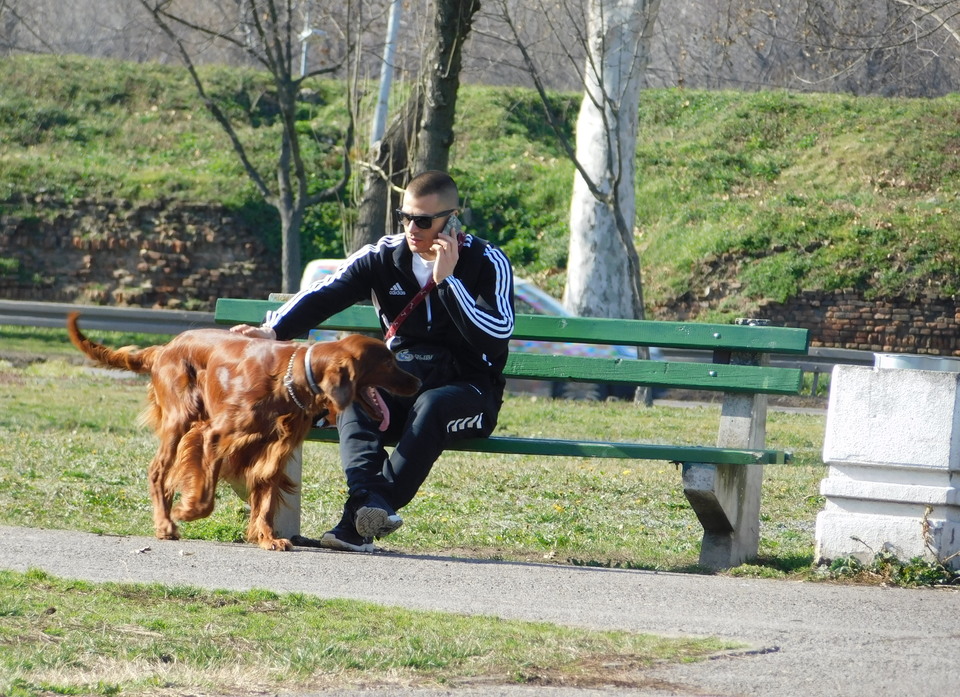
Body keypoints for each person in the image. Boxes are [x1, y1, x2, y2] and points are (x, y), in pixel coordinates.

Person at [231, 170, 515, 551]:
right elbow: (325, 294)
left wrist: (448, 281)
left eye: (424, 220)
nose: (412, 228)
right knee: (354, 395)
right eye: (405, 217)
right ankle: (368, 506)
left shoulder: (487, 261)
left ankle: (357, 518)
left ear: (452, 220)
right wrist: (272, 331)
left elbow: (496, 335)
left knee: (433, 406)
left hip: (469, 391)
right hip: (403, 379)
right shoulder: (383, 256)